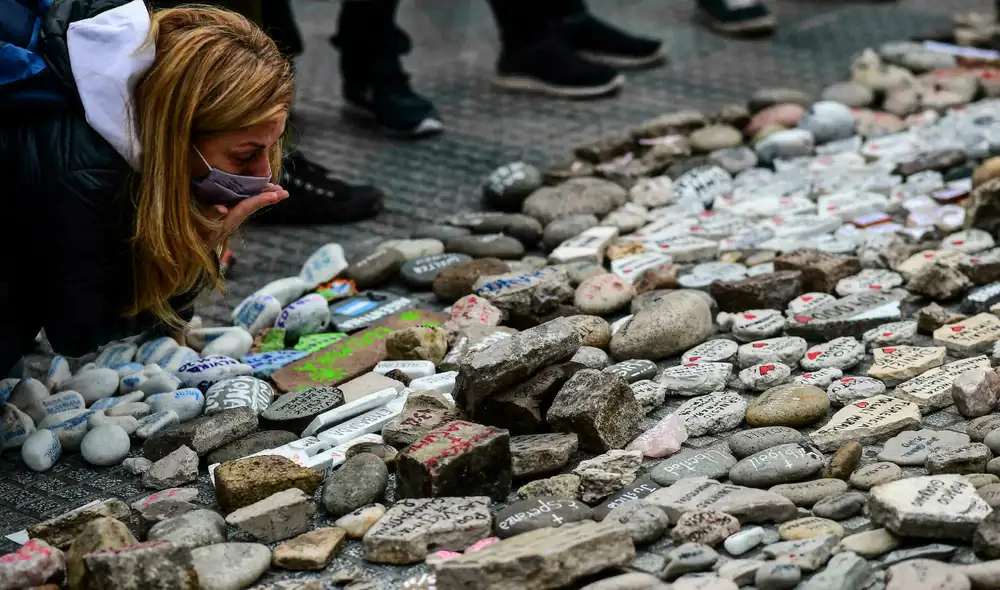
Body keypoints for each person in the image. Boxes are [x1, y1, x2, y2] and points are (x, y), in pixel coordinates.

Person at [0, 1, 295, 377]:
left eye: (271, 147)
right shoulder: (84, 170)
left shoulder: (128, 62)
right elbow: (77, 332)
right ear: (177, 136)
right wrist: (198, 250)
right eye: (244, 156)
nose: (264, 172)